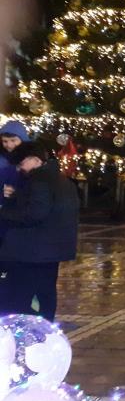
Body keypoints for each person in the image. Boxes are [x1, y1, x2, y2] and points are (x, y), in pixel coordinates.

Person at [0, 142, 79, 321]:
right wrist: (17, 196)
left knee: (22, 296)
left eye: (21, 164)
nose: (20, 169)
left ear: (35, 160)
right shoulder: (59, 178)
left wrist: (4, 212)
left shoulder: (39, 179)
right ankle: (46, 333)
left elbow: (35, 213)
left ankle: (27, 335)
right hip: (51, 250)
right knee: (46, 293)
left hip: (33, 251)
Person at [0, 120, 30, 207]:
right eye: (5, 141)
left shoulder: (31, 157)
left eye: (13, 140)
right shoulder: (2, 159)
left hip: (23, 205)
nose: (9, 145)